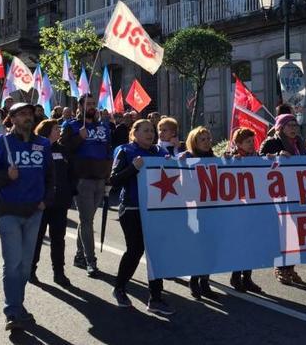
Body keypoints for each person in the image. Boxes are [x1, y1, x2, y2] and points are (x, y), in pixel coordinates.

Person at [0, 103, 55, 331]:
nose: (27, 117)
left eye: (29, 114)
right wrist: (6, 175)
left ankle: (18, 305)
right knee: (13, 264)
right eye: (22, 114)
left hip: (34, 212)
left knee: (25, 267)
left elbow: (51, 177)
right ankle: (12, 311)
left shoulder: (43, 144)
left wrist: (46, 201)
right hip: (9, 212)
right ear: (11, 118)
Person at [108, 119, 175, 315]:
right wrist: (133, 168)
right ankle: (119, 288)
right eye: (145, 130)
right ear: (134, 133)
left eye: (152, 130)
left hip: (156, 210)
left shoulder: (162, 153)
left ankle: (155, 298)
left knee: (156, 253)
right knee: (135, 250)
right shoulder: (125, 151)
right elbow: (114, 180)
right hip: (132, 208)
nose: (150, 134)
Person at [259, 114, 306, 285]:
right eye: (289, 125)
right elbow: (257, 161)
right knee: (282, 233)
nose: (293, 128)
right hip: (278, 195)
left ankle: (290, 268)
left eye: (295, 125)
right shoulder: (272, 142)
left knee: (296, 233)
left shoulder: (300, 143)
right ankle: (280, 267)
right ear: (280, 128)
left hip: (297, 194)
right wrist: (275, 155)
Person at [60, 94, 113, 277]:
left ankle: (79, 255)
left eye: (93, 104)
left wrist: (108, 178)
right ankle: (91, 261)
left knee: (87, 220)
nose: (91, 106)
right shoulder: (71, 125)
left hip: (100, 179)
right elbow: (63, 149)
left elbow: (108, 152)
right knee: (87, 221)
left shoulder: (103, 127)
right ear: (80, 106)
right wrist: (79, 138)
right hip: (82, 179)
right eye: (88, 104)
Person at [30, 119, 75, 287]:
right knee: (37, 237)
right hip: (41, 203)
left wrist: (70, 192)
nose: (60, 131)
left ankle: (59, 272)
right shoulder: (36, 149)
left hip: (60, 203)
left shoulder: (63, 150)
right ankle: (31, 270)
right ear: (47, 130)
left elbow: (71, 173)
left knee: (58, 239)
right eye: (56, 129)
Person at [181, 126, 220, 300]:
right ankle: (194, 280)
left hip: (211, 209)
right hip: (193, 210)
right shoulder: (187, 157)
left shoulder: (214, 158)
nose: (206, 142)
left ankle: (205, 281)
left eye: (208, 139)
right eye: (202, 139)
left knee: (211, 247)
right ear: (194, 142)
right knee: (199, 247)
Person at [227, 127, 263, 293]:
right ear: (238, 143)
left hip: (254, 207)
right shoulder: (232, 158)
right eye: (247, 142)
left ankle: (247, 277)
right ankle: (236, 276)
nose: (251, 144)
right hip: (238, 208)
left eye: (252, 141)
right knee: (241, 244)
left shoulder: (256, 157)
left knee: (252, 244)